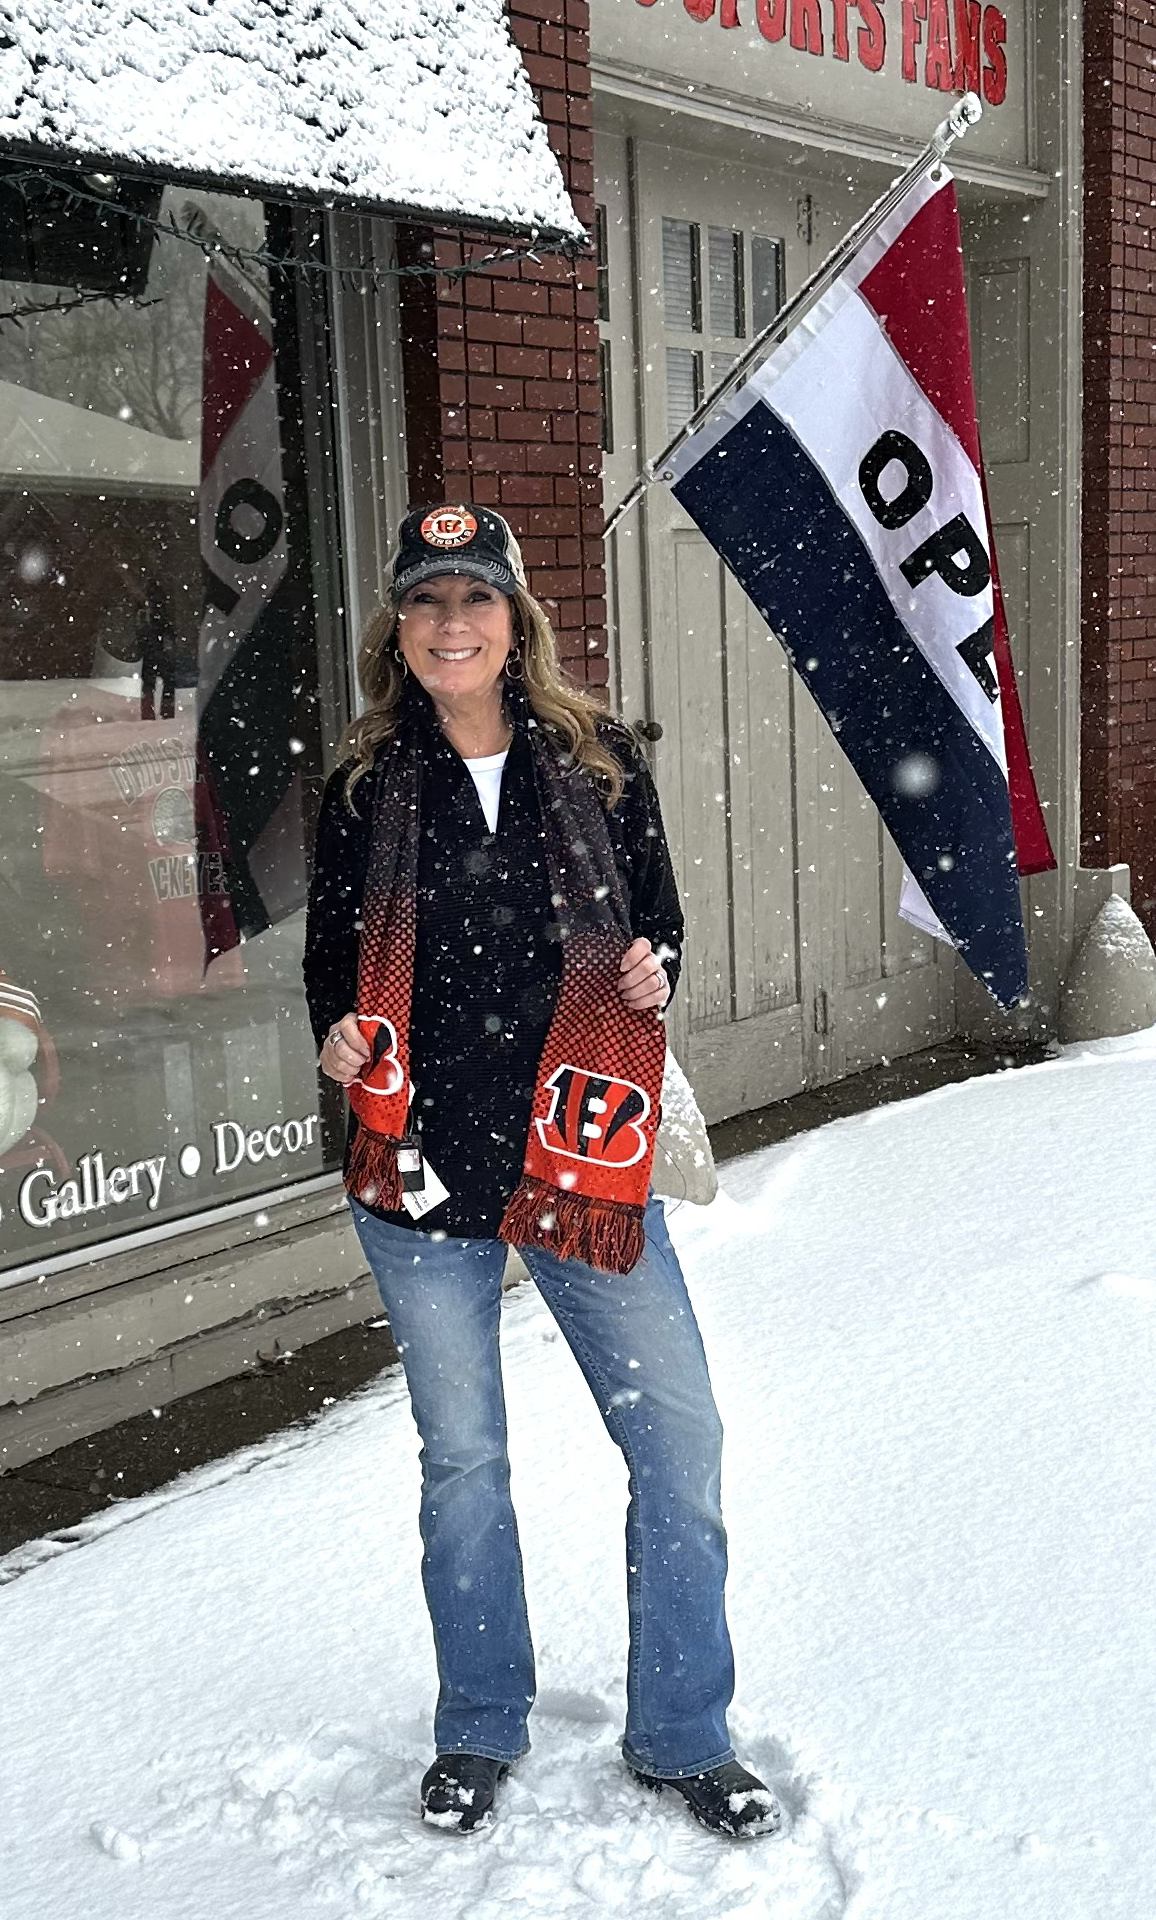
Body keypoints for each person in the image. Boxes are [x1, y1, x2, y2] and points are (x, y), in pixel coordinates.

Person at [302, 504, 779, 1840]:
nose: (450, 625)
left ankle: (682, 1733)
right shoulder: (361, 784)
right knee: (462, 1459)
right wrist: (335, 1034)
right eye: (425, 603)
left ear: (517, 622)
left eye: (475, 600)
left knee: (676, 1442)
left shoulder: (601, 761)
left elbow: (659, 927)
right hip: (418, 1164)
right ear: (397, 631)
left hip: (583, 1149)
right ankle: (476, 1725)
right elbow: (329, 966)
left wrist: (652, 970)